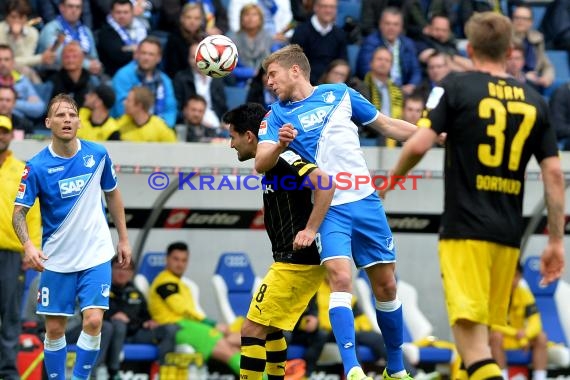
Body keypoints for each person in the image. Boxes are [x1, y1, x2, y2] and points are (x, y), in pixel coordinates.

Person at [382, 12, 565, 380]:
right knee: (481, 341)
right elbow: (555, 174)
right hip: (508, 238)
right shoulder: (535, 101)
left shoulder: (456, 86)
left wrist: (390, 182)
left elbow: (420, 141)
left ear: (470, 47)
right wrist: (556, 241)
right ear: (511, 49)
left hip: (465, 231)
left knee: (473, 347)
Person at [255, 44, 418, 380]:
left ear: (295, 70)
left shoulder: (340, 94)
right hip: (328, 209)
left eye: (272, 74)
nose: (269, 83)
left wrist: (432, 135)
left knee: (386, 286)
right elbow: (261, 162)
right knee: (341, 279)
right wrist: (282, 145)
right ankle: (352, 368)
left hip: (367, 202)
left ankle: (396, 368)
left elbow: (387, 125)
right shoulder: (274, 117)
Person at [12, 93, 132, 380]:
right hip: (56, 259)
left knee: (93, 320)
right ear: (48, 122)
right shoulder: (37, 166)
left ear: (79, 121)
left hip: (96, 254)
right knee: (55, 329)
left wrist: (123, 239)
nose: (67, 119)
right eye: (60, 115)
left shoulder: (98, 154)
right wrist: (28, 245)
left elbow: (112, 194)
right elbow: (18, 213)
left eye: (72, 114)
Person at [224, 102, 334, 380]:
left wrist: (310, 230)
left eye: (232, 136)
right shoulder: (273, 161)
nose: (230, 144)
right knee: (271, 328)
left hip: (297, 262)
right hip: (292, 261)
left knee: (251, 329)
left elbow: (325, 184)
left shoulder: (284, 157)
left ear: (249, 136)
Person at [148, 242, 242, 376]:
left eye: (184, 260)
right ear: (167, 259)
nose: (180, 264)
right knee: (228, 350)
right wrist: (210, 323)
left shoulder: (182, 284)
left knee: (235, 342)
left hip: (190, 326)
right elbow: (181, 308)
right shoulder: (165, 281)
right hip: (178, 328)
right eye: (176, 259)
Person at [0, 114, 41, 380]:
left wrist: (32, 247)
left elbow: (33, 211)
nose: (0, 136)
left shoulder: (21, 170)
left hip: (12, 253)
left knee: (10, 314)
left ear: (11, 135)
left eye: (4, 131)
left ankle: (7, 372)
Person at [105, 256, 179, 379]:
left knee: (170, 329)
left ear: (132, 273)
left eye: (127, 269)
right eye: (118, 268)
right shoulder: (103, 290)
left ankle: (161, 371)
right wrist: (113, 316)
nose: (122, 272)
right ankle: (113, 372)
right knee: (119, 324)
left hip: (136, 333)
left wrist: (149, 322)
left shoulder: (136, 293)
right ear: (110, 269)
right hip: (114, 335)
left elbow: (146, 316)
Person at [490, 263, 548, 380]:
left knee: (541, 337)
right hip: (503, 338)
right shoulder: (493, 293)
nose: (512, 280)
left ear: (520, 277)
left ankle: (540, 377)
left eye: (516, 276)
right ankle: (502, 377)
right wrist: (517, 334)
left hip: (521, 339)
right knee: (496, 336)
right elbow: (492, 323)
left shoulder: (524, 293)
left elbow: (536, 322)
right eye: (509, 276)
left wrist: (526, 334)